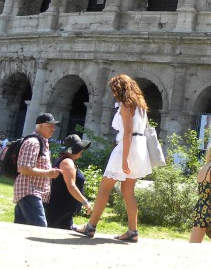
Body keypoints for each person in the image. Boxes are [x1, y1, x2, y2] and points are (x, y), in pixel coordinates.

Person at [73, 74, 152, 242]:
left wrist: (124, 160)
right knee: (128, 191)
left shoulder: (126, 105)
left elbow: (128, 132)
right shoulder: (141, 106)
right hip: (140, 148)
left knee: (104, 188)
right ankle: (132, 231)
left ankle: (90, 227)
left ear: (119, 89)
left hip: (127, 147)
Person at [13, 113, 63, 227]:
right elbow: (23, 168)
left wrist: (49, 170)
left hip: (32, 190)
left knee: (20, 227)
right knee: (39, 227)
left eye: (54, 126)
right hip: (29, 190)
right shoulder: (33, 142)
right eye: (50, 125)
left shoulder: (42, 142)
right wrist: (48, 173)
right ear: (40, 125)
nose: (53, 129)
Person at [44, 134, 93, 230]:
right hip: (59, 208)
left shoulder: (66, 160)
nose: (82, 151)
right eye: (81, 149)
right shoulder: (67, 162)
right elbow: (71, 186)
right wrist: (85, 202)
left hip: (64, 209)